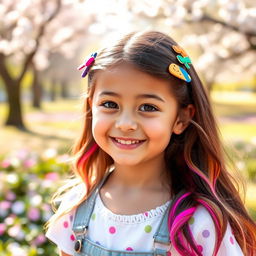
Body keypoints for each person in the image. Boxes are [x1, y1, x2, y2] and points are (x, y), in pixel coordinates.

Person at [45, 31, 256, 256]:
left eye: (148, 107)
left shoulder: (198, 223)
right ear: (91, 108)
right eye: (109, 104)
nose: (125, 124)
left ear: (181, 119)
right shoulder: (76, 208)